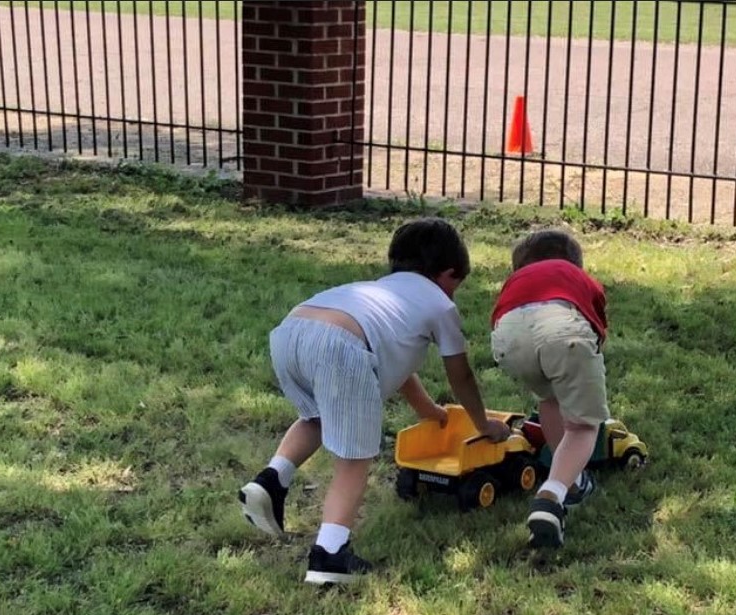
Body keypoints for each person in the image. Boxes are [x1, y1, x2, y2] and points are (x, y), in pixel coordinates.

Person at [240, 217, 511, 586]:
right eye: (456, 286)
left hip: (292, 331)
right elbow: (460, 375)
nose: (454, 296)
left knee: (318, 417)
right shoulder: (440, 306)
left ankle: (271, 479)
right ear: (448, 273)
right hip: (342, 345)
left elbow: (396, 367)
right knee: (354, 458)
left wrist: (429, 411)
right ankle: (330, 555)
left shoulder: (381, 292)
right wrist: (483, 425)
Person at [489, 228, 610, 548]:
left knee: (549, 398)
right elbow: (596, 322)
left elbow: (499, 312)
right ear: (574, 262)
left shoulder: (518, 280)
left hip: (507, 337)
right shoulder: (575, 276)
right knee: (583, 426)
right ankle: (553, 495)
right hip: (563, 331)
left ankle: (566, 470)